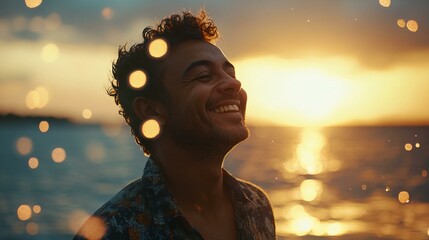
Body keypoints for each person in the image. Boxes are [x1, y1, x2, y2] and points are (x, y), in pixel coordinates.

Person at [73, 10, 276, 240]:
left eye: (230, 73)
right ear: (150, 110)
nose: (234, 83)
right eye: (203, 76)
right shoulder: (115, 231)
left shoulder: (257, 206)